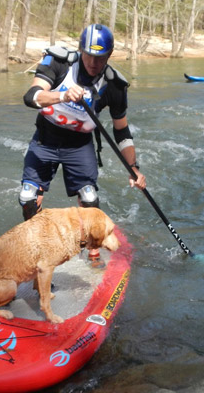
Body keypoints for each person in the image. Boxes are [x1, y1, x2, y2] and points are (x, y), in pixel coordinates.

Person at [21, 23, 146, 267]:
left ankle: (93, 255)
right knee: (27, 196)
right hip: (46, 138)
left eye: (100, 57)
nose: (93, 62)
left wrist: (134, 168)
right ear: (80, 50)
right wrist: (62, 95)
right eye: (88, 55)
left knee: (89, 198)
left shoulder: (114, 86)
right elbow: (32, 96)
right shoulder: (58, 62)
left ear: (109, 56)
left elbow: (121, 130)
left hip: (79, 145)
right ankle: (34, 250)